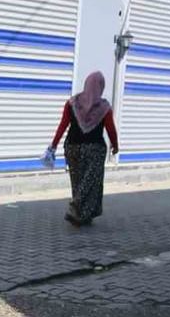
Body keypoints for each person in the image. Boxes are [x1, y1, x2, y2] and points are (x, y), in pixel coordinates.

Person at [47, 70, 119, 226]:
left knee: (78, 182)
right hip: (94, 150)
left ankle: (82, 215)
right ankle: (76, 208)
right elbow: (110, 129)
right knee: (91, 183)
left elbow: (63, 125)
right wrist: (115, 145)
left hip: (72, 147)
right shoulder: (104, 107)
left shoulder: (72, 103)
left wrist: (54, 144)